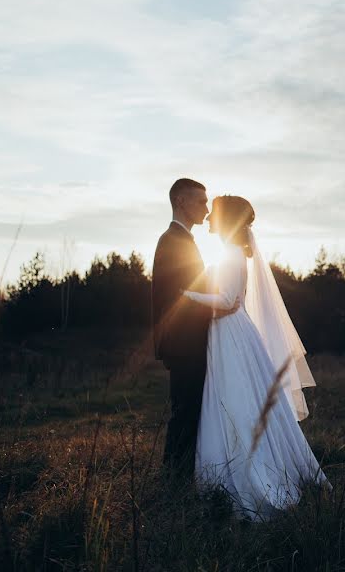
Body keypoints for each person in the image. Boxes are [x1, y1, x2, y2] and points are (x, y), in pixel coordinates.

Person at [181, 195, 329, 518]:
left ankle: (247, 478)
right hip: (227, 334)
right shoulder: (231, 254)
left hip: (231, 336)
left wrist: (187, 296)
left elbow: (228, 299)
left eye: (213, 214)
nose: (208, 219)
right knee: (232, 401)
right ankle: (220, 474)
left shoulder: (232, 255)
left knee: (237, 401)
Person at [152, 178, 238, 483]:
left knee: (190, 412)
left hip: (188, 342)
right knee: (185, 413)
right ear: (180, 201)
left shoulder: (184, 240)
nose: (206, 207)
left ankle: (179, 477)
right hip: (184, 343)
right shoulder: (173, 241)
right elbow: (173, 297)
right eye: (201, 201)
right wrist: (221, 305)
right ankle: (174, 480)